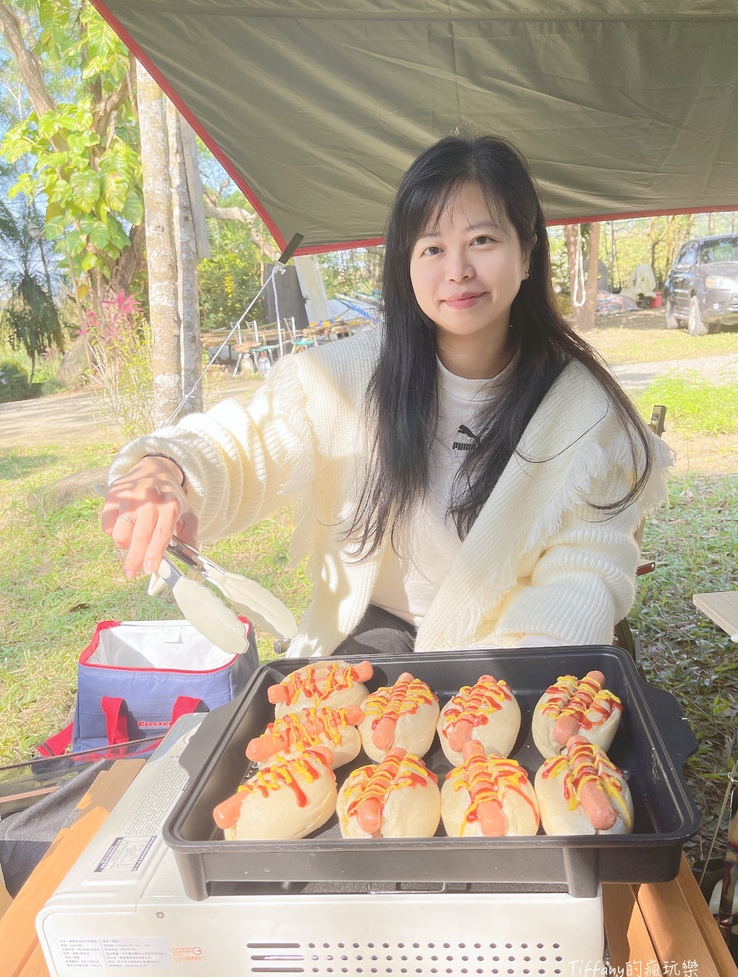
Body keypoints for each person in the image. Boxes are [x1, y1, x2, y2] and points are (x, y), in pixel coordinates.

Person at [101, 133, 671, 658]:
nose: (459, 270)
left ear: (526, 255)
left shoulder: (585, 413)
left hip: (517, 647)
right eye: (431, 248)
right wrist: (166, 467)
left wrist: (489, 701)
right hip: (380, 631)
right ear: (406, 266)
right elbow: (247, 445)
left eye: (483, 240)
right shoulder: (341, 377)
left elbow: (584, 577)